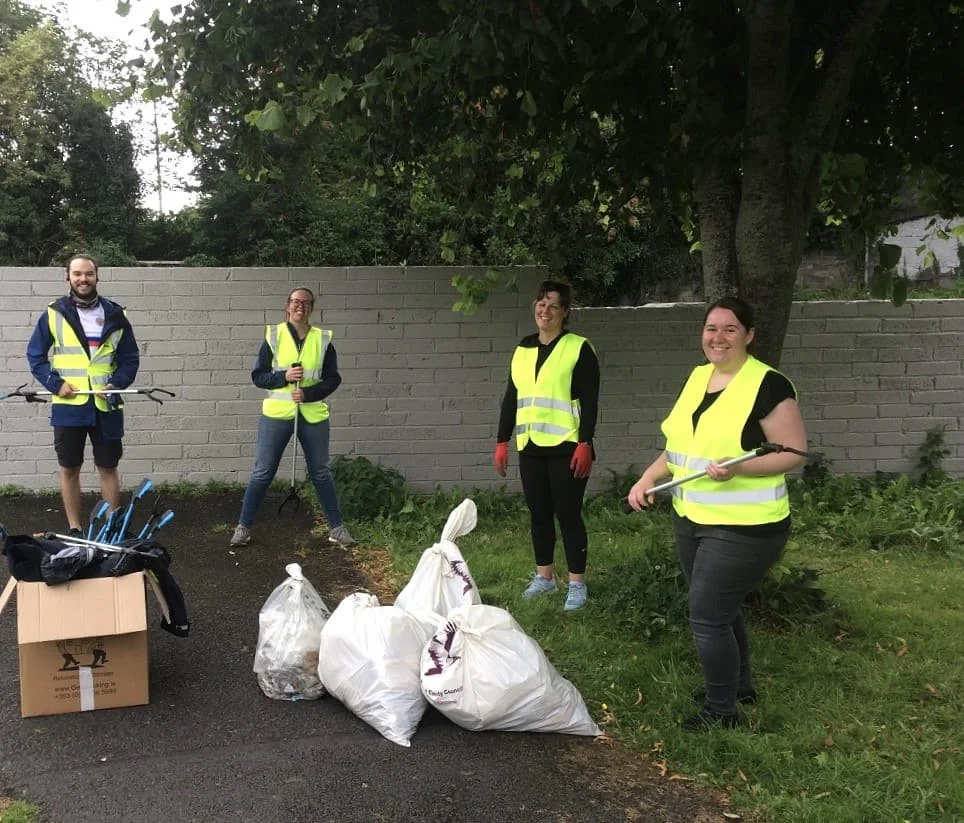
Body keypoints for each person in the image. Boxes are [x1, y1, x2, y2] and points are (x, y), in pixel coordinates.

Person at [626, 296, 808, 731]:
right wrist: (647, 478)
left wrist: (739, 468)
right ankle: (738, 687)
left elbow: (794, 452)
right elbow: (679, 446)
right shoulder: (697, 377)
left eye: (730, 329)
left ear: (749, 335)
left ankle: (722, 712)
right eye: (711, 328)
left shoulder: (768, 385)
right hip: (692, 518)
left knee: (707, 616)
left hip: (746, 526)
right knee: (721, 612)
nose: (718, 337)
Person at [493, 280, 600, 612]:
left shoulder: (578, 348)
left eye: (554, 305)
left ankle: (577, 583)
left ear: (565, 312)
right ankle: (545, 577)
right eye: (541, 303)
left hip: (568, 446)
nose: (546, 310)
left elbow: (591, 401)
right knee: (539, 514)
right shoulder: (522, 349)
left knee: (568, 514)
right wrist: (502, 441)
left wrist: (585, 442)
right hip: (530, 445)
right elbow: (511, 398)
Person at [230, 287, 356, 549]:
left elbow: (333, 379)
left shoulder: (323, 340)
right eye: (296, 301)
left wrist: (309, 394)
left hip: (312, 415)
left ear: (312, 308)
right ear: (287, 306)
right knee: (263, 472)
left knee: (321, 472)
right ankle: (243, 527)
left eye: (306, 302)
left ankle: (337, 528)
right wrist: (284, 377)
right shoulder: (273, 336)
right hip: (277, 414)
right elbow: (258, 376)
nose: (301, 306)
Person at [26, 254, 140, 536]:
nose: (83, 279)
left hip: (106, 404)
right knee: (69, 468)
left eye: (88, 273)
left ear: (97, 276)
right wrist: (55, 384)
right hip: (69, 406)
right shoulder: (54, 313)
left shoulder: (116, 314)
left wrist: (116, 383)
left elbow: (129, 360)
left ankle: (112, 529)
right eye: (77, 273)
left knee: (108, 467)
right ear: (68, 276)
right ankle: (75, 529)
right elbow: (35, 355)